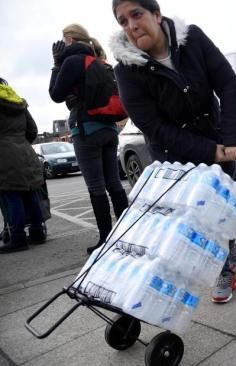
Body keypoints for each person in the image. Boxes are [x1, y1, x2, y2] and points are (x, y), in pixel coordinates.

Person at [111, 0, 236, 303]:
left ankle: (230, 246)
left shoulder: (193, 39)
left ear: (156, 15)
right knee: (200, 217)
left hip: (219, 137)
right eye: (123, 21)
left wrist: (233, 137)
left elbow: (227, 83)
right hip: (174, 153)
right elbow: (155, 127)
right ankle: (224, 269)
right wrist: (211, 151)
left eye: (137, 14)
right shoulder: (126, 71)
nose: (131, 25)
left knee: (222, 210)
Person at [49, 24, 129, 255]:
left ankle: (105, 239)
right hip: (110, 129)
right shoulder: (99, 60)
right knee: (114, 183)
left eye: (63, 41)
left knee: (96, 187)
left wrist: (56, 64)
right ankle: (126, 232)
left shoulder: (72, 62)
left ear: (71, 41)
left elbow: (55, 95)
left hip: (86, 129)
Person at [0, 77, 46, 253]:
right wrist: (19, 143)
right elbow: (32, 130)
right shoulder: (18, 102)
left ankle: (18, 238)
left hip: (4, 154)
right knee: (29, 192)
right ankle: (37, 232)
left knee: (11, 195)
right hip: (25, 152)